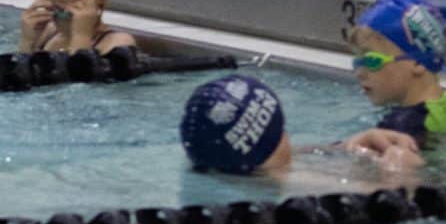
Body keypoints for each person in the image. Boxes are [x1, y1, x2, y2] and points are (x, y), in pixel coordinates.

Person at [180, 73, 422, 181]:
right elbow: (394, 202)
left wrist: (350, 143)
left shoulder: (250, 171)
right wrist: (400, 173)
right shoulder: (293, 184)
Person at [343, 0, 446, 156]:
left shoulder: (399, 126)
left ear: (417, 63)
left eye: (372, 60)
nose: (360, 72)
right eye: (358, 61)